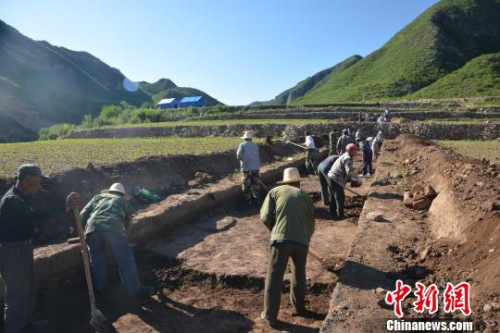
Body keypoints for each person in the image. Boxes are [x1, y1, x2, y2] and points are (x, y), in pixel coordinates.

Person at [0, 164, 79, 333]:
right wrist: (64, 208)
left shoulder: (23, 197)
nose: (40, 187)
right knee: (16, 296)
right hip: (13, 252)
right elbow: (35, 215)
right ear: (26, 181)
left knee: (29, 290)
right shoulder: (12, 200)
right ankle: (13, 329)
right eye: (37, 183)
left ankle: (25, 323)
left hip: (24, 248)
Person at [260, 167, 315, 328]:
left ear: (285, 181)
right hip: (302, 242)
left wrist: (276, 230)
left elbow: (264, 217)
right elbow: (311, 223)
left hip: (280, 240)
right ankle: (299, 308)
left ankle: (270, 315)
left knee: (274, 276)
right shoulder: (305, 195)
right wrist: (304, 238)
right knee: (299, 273)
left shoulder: (275, 191)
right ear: (298, 182)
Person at [79, 183, 149, 298]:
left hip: (92, 229)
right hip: (114, 229)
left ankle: (102, 289)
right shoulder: (123, 202)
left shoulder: (97, 198)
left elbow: (81, 216)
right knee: (125, 259)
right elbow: (127, 223)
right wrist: (121, 236)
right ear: (122, 194)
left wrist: (83, 231)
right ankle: (134, 289)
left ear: (109, 192)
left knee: (96, 258)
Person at [327, 144, 362, 220]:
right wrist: (357, 179)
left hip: (331, 177)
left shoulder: (346, 156)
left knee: (333, 197)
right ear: (350, 151)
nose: (357, 152)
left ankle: (332, 213)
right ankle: (340, 216)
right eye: (355, 150)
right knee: (340, 197)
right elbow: (349, 172)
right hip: (335, 179)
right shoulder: (347, 159)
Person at [236, 131, 261, 205]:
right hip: (255, 168)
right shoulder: (255, 145)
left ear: (245, 138)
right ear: (251, 138)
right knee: (256, 184)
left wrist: (243, 160)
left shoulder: (242, 145)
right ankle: (257, 201)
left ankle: (248, 202)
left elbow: (238, 156)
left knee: (246, 185)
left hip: (246, 168)